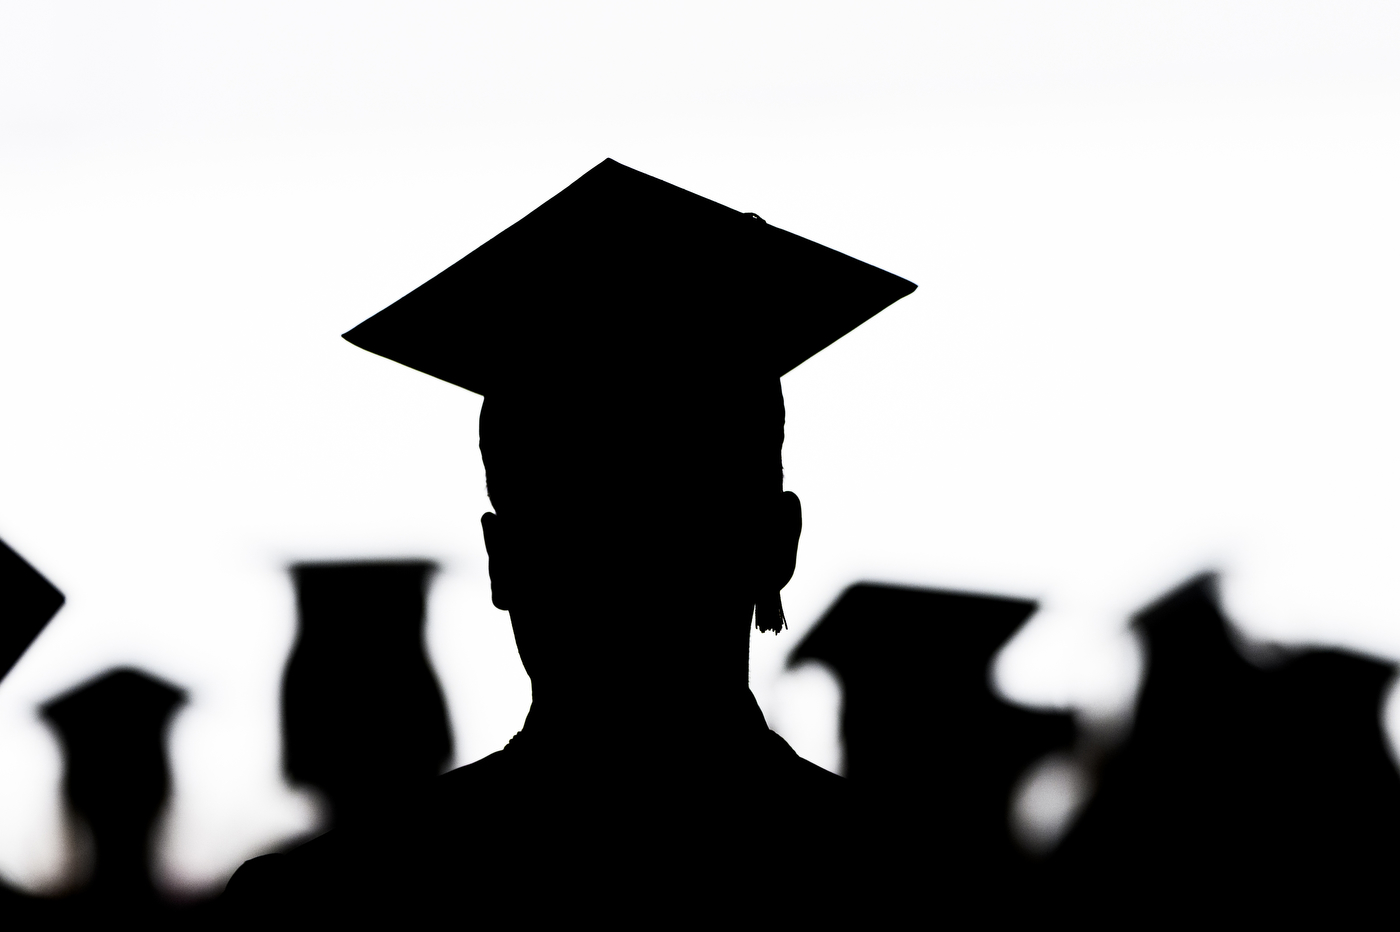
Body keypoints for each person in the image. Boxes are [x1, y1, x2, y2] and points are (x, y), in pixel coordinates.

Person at [223, 159, 916, 925]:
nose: (628, 577)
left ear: (503, 562)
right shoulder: (919, 898)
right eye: (593, 528)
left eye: (664, 521)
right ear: (775, 544)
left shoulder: (341, 913)